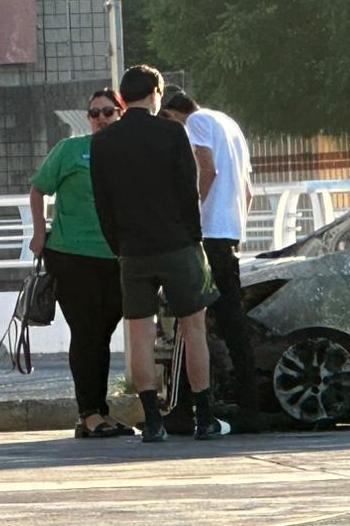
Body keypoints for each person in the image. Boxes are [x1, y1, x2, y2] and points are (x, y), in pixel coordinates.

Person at [89, 65, 227, 442]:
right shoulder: (172, 132)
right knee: (193, 329)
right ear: (155, 93)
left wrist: (119, 246)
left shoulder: (102, 143)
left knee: (139, 333)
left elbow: (103, 203)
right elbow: (188, 191)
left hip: (132, 250)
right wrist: (193, 239)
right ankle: (204, 417)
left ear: (121, 99)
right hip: (177, 243)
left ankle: (152, 420)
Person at [28, 88, 135, 438]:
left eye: (108, 112)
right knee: (86, 332)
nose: (101, 119)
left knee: (102, 335)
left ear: (121, 114)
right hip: (71, 256)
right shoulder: (71, 150)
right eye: (94, 114)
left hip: (116, 256)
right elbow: (39, 188)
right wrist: (40, 232)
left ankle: (98, 411)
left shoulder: (128, 153)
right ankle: (89, 413)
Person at [159, 87, 261, 433]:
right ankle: (247, 401)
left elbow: (207, 167)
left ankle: (183, 407)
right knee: (228, 322)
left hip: (207, 234)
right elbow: (248, 189)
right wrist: (237, 227)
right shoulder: (229, 124)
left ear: (173, 114)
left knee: (191, 318)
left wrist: (191, 212)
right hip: (229, 233)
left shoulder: (199, 121)